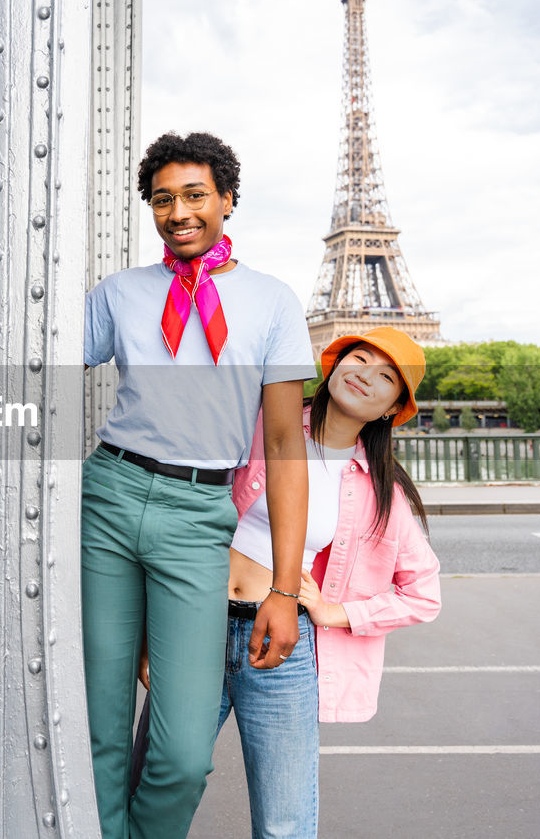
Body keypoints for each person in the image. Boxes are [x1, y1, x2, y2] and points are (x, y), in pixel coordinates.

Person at [81, 131, 315, 839]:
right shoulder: (119, 293)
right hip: (109, 499)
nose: (178, 211)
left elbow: (283, 447)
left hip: (197, 515)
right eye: (162, 199)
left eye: (194, 195)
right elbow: (42, 369)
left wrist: (284, 588)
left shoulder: (272, 301)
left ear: (227, 201)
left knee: (181, 753)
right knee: (98, 728)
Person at [221, 326, 442, 837]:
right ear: (335, 363)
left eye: (386, 377)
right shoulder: (259, 421)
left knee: (285, 824)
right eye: (360, 358)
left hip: (279, 644)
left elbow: (424, 593)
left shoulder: (379, 490)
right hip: (196, 620)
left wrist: (334, 612)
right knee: (163, 781)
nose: (366, 375)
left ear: (393, 408)